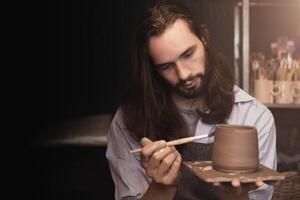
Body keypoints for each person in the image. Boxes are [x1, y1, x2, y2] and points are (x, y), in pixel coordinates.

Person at [106, 1, 277, 199]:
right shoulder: (129, 120)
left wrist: (234, 195)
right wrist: (162, 187)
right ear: (153, 68)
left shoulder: (254, 116)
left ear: (204, 37)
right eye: (166, 66)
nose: (184, 74)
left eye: (188, 54)